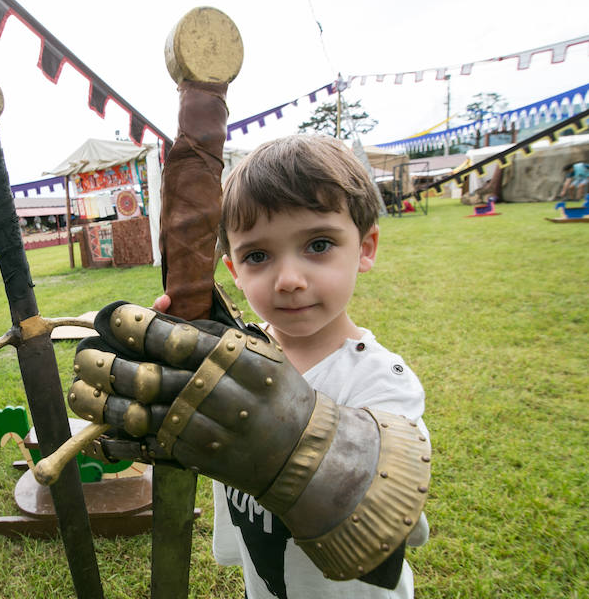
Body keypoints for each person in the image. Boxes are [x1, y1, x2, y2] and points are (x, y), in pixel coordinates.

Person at [70, 135, 430, 599]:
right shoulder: (229, 356)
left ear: (366, 247)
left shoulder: (381, 381)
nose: (289, 280)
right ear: (233, 270)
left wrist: (285, 440)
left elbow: (391, 525)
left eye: (319, 244)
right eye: (257, 256)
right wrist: (167, 381)